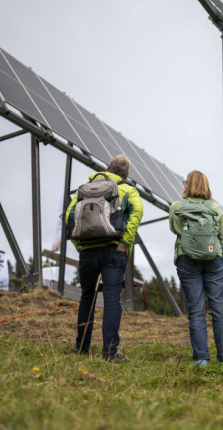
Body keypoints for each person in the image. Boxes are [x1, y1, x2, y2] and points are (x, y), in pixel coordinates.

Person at [66, 154, 142, 362]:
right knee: (111, 300)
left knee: (87, 297)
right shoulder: (128, 190)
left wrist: (78, 244)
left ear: (106, 168)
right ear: (126, 175)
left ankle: (81, 348)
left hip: (87, 250)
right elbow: (137, 213)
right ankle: (110, 352)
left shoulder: (84, 187)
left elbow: (69, 216)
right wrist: (125, 244)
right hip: (113, 250)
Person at [169, 170, 223, 366]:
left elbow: (175, 229)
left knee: (196, 311)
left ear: (187, 185)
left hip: (187, 259)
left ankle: (201, 359)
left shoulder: (177, 206)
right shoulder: (215, 207)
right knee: (219, 309)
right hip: (215, 260)